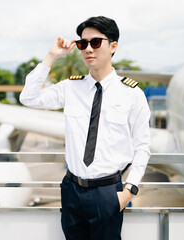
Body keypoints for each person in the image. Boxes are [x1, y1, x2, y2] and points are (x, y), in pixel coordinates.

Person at [20, 16, 151, 240]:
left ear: (113, 46)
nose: (88, 49)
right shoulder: (71, 88)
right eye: (82, 44)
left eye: (96, 42)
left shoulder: (131, 94)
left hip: (108, 191)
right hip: (72, 190)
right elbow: (28, 98)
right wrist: (51, 56)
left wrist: (129, 192)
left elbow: (142, 146)